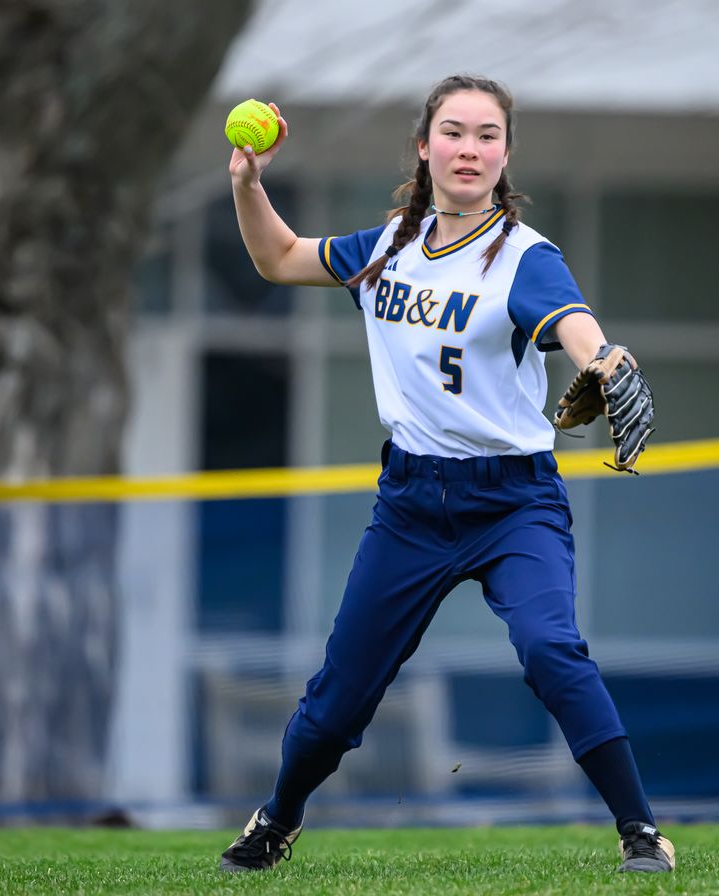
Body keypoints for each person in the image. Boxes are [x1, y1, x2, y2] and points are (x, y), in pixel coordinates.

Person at [218, 75, 672, 874]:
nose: (470, 148)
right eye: (454, 132)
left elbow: (569, 321)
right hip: (411, 506)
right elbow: (280, 258)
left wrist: (601, 356)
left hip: (513, 502)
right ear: (424, 147)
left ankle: (640, 831)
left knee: (550, 650)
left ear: (504, 156)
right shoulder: (390, 244)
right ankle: (277, 820)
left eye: (488, 135)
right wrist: (247, 184)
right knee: (340, 697)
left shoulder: (522, 256)